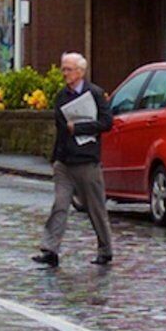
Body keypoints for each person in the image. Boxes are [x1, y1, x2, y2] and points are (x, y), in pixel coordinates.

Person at [37, 50, 111, 268]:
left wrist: (79, 127)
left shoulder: (95, 94)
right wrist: (55, 157)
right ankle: (50, 249)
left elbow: (107, 123)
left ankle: (105, 250)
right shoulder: (61, 96)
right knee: (59, 205)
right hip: (64, 163)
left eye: (68, 70)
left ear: (80, 72)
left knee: (95, 207)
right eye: (63, 69)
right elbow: (60, 128)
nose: (64, 74)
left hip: (86, 161)